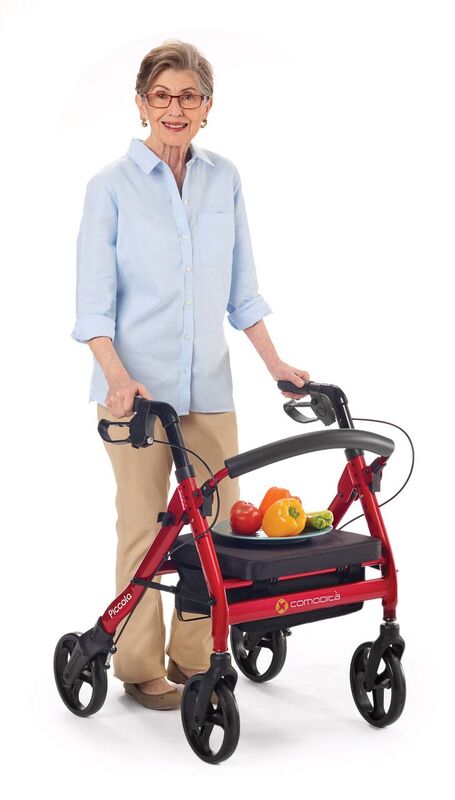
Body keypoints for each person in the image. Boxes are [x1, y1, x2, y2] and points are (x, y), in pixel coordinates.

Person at [71, 39, 310, 710]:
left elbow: (242, 292)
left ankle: (195, 653)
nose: (174, 108)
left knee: (220, 526)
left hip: (209, 388)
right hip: (137, 396)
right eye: (161, 95)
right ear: (141, 103)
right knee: (146, 528)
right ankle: (137, 663)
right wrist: (118, 378)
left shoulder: (223, 179)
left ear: (208, 107)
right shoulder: (110, 188)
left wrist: (276, 364)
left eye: (189, 96)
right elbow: (92, 308)